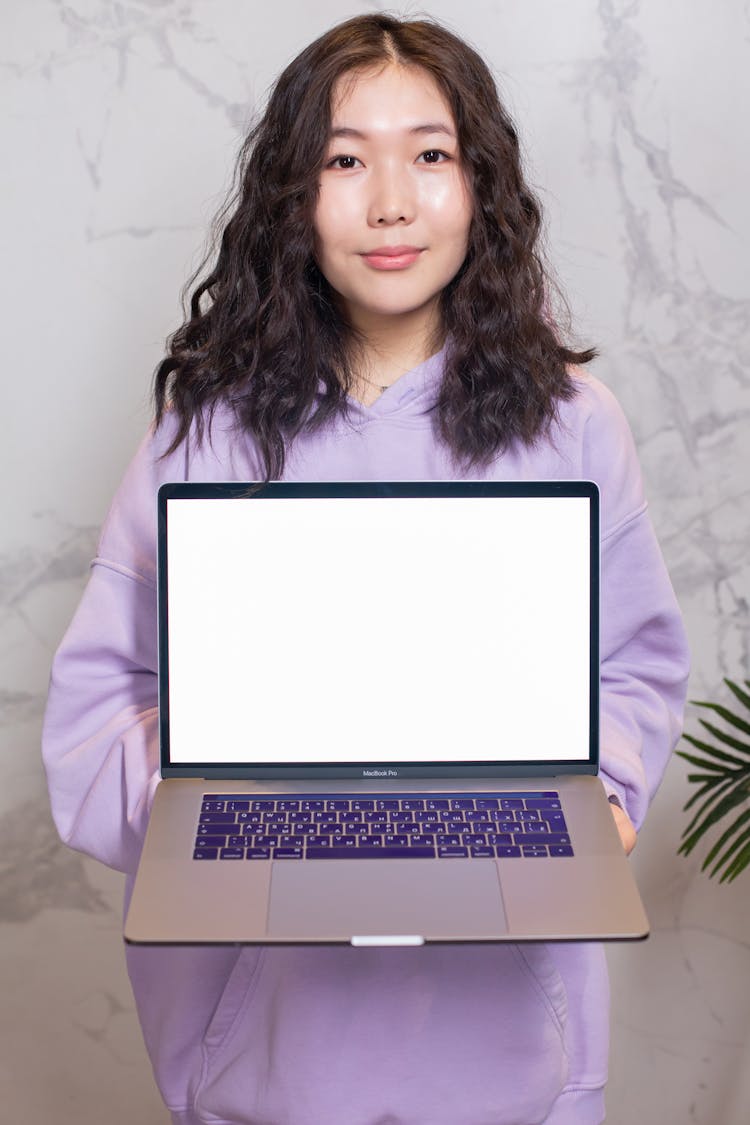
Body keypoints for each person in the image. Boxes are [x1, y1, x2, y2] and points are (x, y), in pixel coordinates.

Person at [42, 13, 689, 1125]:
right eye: (344, 159)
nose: (391, 201)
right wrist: (215, 778)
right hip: (265, 1069)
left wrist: (607, 799)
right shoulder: (206, 435)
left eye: (431, 155)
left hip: (516, 1071)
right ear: (292, 195)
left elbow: (634, 673)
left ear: (483, 184)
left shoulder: (576, 426)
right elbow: (89, 727)